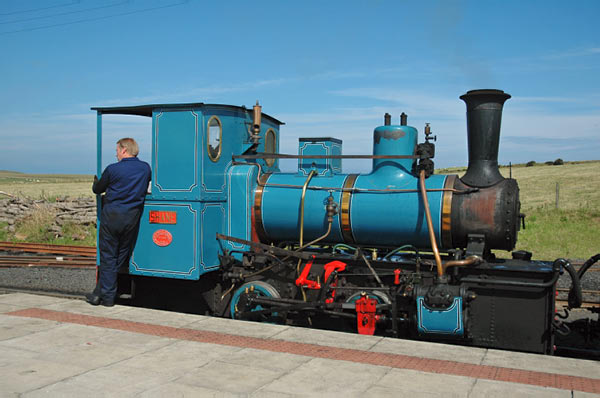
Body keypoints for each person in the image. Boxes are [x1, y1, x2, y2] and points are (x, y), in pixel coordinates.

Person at [86, 138, 151, 306]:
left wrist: (95, 182)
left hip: (112, 217)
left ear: (124, 150)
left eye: (116, 150)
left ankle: (107, 298)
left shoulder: (113, 169)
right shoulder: (145, 168)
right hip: (132, 218)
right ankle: (98, 293)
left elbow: (98, 189)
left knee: (108, 257)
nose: (115, 153)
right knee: (120, 257)